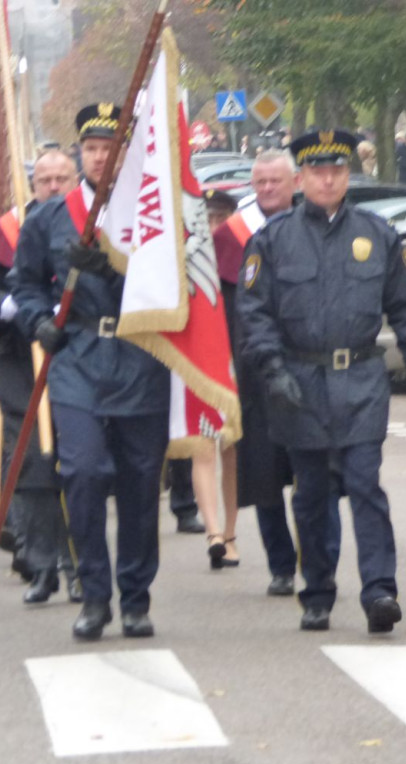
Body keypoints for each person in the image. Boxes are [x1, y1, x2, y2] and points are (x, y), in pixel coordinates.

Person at [237, 129, 406, 634]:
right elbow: (254, 312)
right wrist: (271, 368)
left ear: (349, 175)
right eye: (318, 172)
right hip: (300, 381)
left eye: (338, 171)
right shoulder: (273, 240)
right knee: (311, 495)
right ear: (301, 179)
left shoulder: (377, 234)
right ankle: (318, 591)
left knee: (365, 484)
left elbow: (405, 306)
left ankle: (380, 592)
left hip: (361, 381)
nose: (328, 180)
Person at [11, 104, 170, 640]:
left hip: (139, 354)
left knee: (140, 484)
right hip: (78, 357)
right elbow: (25, 283)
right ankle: (95, 594)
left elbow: (171, 285)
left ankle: (136, 598)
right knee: (81, 473)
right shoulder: (51, 217)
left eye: (111, 148)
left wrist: (113, 271)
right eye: (93, 148)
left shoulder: (151, 216)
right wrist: (38, 322)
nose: (101, 157)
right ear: (81, 152)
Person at [216, 149, 340, 596]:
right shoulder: (231, 236)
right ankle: (282, 565)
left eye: (276, 181)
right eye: (260, 182)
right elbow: (223, 312)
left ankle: (320, 564)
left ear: (296, 183)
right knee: (265, 476)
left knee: (318, 477)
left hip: (313, 370)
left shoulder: (321, 227)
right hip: (256, 374)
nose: (267, 188)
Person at [0, 148, 81, 604]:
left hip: (77, 359)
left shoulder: (89, 221)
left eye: (62, 178)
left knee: (77, 465)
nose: (53, 186)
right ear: (32, 184)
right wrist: (16, 308)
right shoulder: (10, 229)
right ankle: (41, 565)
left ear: (74, 179)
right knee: (33, 464)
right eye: (45, 179)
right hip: (23, 362)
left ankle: (79, 565)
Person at [192, 189, 241, 569]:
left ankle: (230, 532)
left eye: (220, 218)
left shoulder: (241, 253)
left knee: (230, 450)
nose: (213, 227)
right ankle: (213, 534)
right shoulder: (187, 258)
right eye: (206, 219)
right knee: (203, 447)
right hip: (195, 362)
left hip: (233, 362)